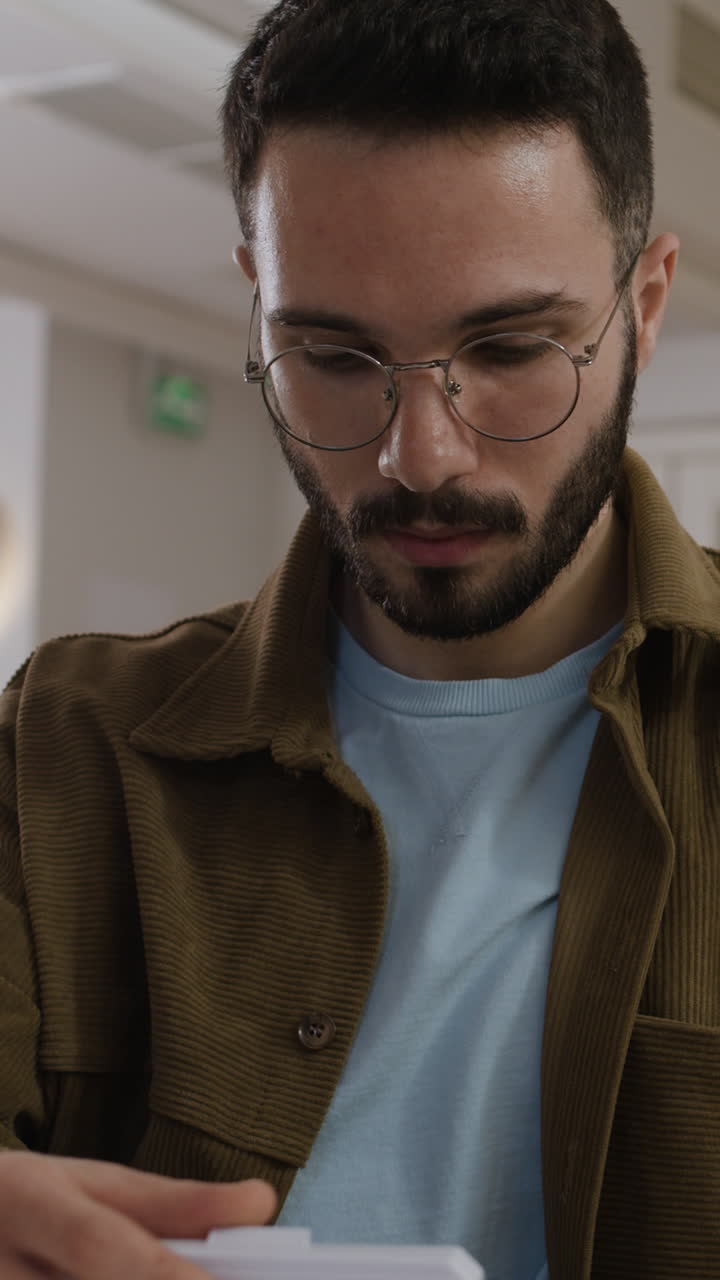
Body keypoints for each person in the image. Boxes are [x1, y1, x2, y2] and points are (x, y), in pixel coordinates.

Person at [0, 0, 718, 1276]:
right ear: (256, 303)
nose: (419, 456)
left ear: (646, 304)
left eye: (508, 347)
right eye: (330, 352)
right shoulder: (66, 740)